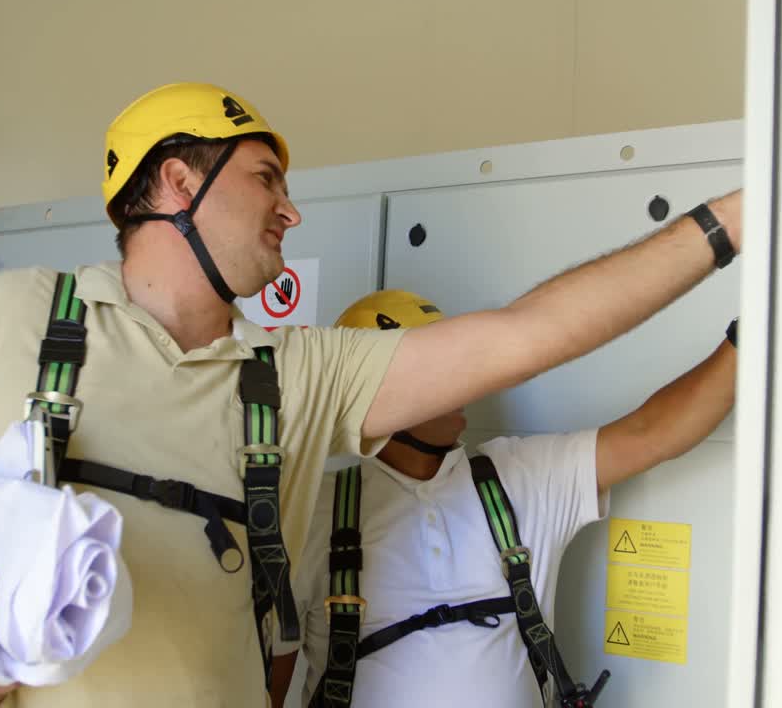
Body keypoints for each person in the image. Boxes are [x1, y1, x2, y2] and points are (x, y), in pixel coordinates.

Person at [0, 82, 744, 708]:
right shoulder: (11, 318)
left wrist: (739, 220)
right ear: (175, 181)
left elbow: (534, 333)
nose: (290, 210)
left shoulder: (298, 377)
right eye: (266, 179)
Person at [269, 290, 738, 708]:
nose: (464, 382)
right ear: (371, 396)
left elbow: (654, 432)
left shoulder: (520, 477)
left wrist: (747, 339)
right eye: (436, 371)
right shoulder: (312, 514)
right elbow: (268, 683)